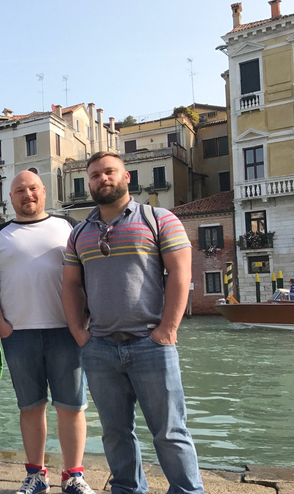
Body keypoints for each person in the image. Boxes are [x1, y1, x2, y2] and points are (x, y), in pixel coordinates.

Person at [62, 152, 204, 494]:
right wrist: (79, 333)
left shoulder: (160, 219)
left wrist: (167, 330)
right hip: (100, 347)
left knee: (170, 431)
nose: (102, 179)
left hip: (151, 344)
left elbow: (181, 273)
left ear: (126, 177)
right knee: (114, 432)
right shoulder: (78, 233)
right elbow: (69, 284)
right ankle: (127, 490)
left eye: (109, 172)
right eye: (94, 175)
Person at [0, 171, 94, 494]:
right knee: (30, 407)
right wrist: (0, 323)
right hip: (20, 335)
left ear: (43, 192)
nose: (27, 195)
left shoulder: (68, 226)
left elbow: (87, 270)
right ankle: (35, 475)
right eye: (19, 191)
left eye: (32, 189)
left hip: (66, 331)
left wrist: (83, 321)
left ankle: (74, 475)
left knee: (71, 406)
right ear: (10, 198)